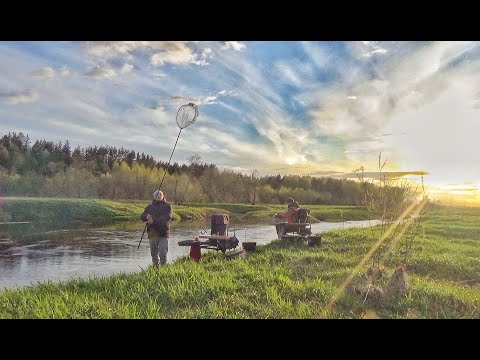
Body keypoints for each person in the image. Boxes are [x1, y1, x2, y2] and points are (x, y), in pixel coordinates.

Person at [140, 190, 173, 267]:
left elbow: (167, 217)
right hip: (152, 234)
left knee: (162, 253)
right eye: (157, 194)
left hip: (163, 234)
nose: (158, 195)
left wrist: (153, 220)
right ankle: (155, 269)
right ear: (153, 197)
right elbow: (142, 217)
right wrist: (146, 217)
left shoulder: (167, 206)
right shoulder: (149, 207)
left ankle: (164, 268)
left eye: (160, 194)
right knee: (154, 254)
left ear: (163, 196)